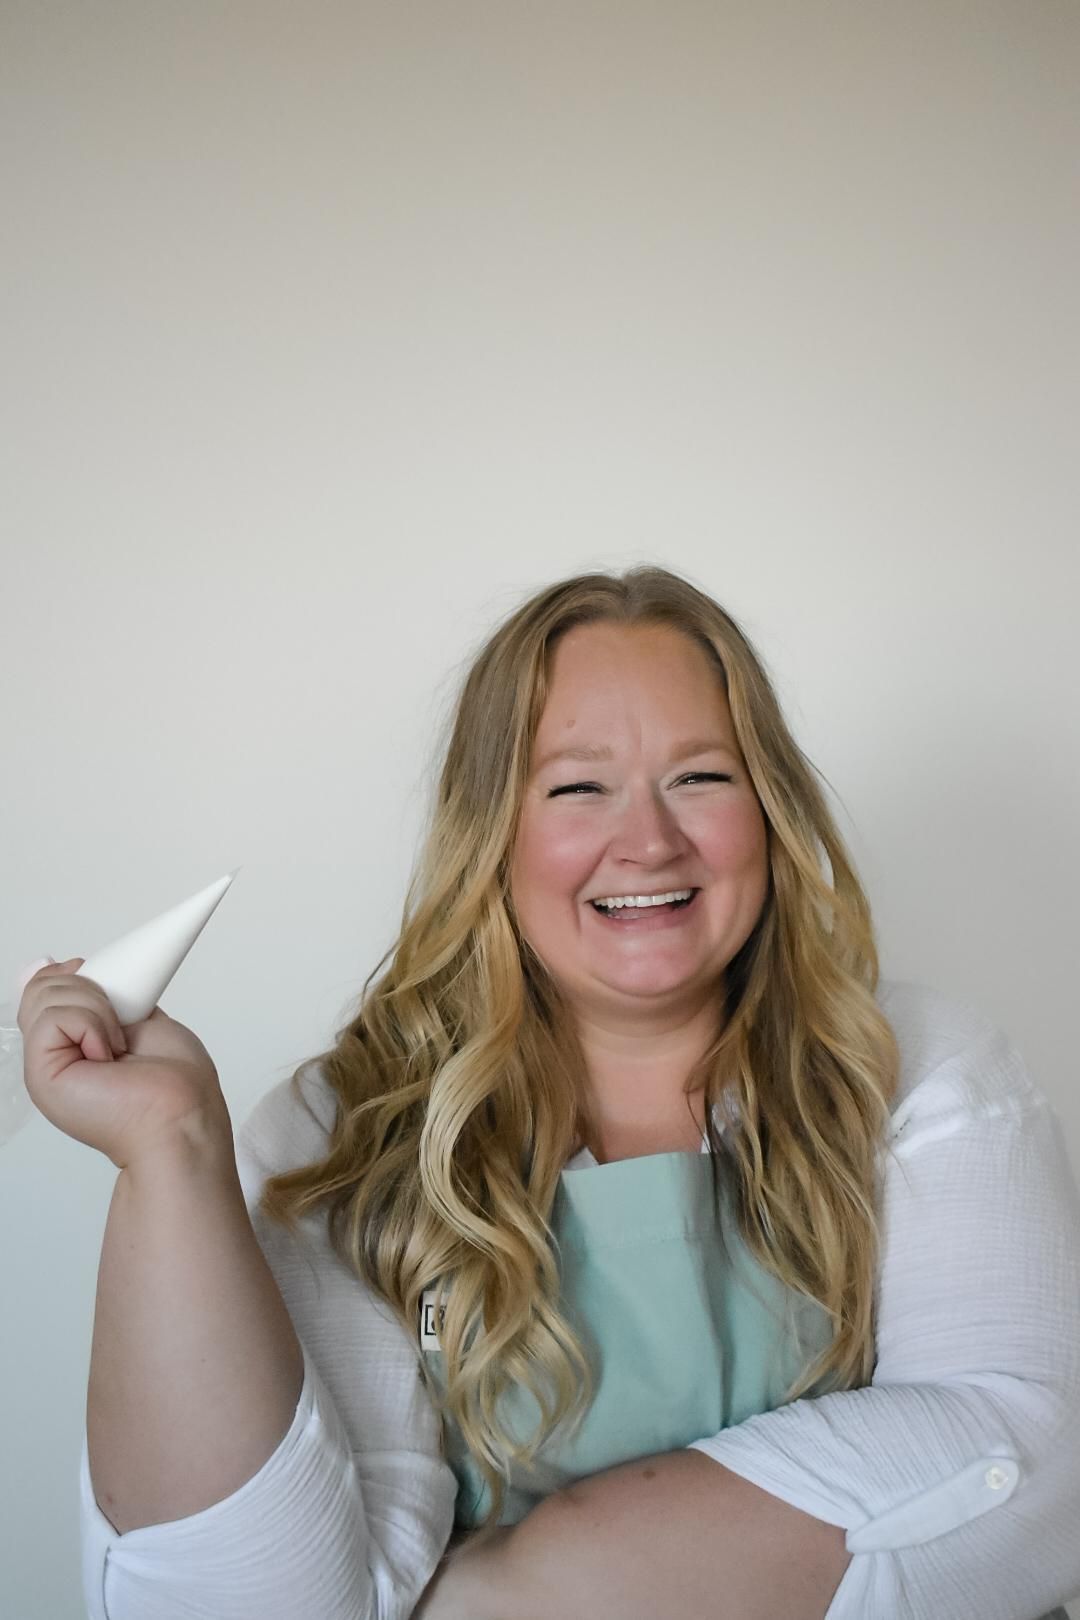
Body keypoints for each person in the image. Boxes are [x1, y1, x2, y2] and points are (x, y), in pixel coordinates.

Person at [20, 566, 1080, 1620]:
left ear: (769, 809)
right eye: (578, 787)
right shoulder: (345, 1138)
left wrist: (522, 1586)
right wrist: (172, 1150)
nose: (651, 840)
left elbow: (1032, 1465)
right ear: (492, 833)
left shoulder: (920, 1069)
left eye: (703, 777)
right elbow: (246, 1605)